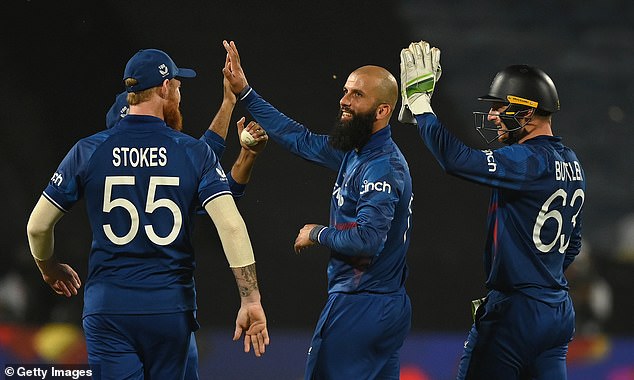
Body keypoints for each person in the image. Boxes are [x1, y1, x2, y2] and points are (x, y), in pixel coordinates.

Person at [26, 48, 270, 380]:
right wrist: (250, 298)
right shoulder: (190, 152)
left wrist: (48, 267)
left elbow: (37, 227)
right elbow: (230, 224)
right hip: (169, 308)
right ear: (166, 86)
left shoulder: (89, 149)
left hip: (108, 308)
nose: (180, 94)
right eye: (179, 86)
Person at [222, 40, 413, 379]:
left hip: (360, 303)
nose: (344, 100)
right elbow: (301, 139)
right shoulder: (357, 152)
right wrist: (246, 93)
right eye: (345, 91)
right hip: (382, 307)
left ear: (382, 111)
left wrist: (317, 233)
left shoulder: (380, 166)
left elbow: (369, 239)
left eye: (357, 95)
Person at [399, 41, 585, 379]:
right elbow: (572, 244)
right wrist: (540, 279)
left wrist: (421, 105)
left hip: (517, 312)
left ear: (526, 112)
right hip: (557, 310)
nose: (491, 115)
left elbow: (456, 160)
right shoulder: (573, 163)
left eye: (500, 107)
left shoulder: (527, 160)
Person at [105, 75, 269, 380]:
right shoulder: (172, 171)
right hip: (167, 308)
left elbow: (206, 162)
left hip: (115, 310)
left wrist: (235, 123)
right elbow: (206, 162)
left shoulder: (103, 171)